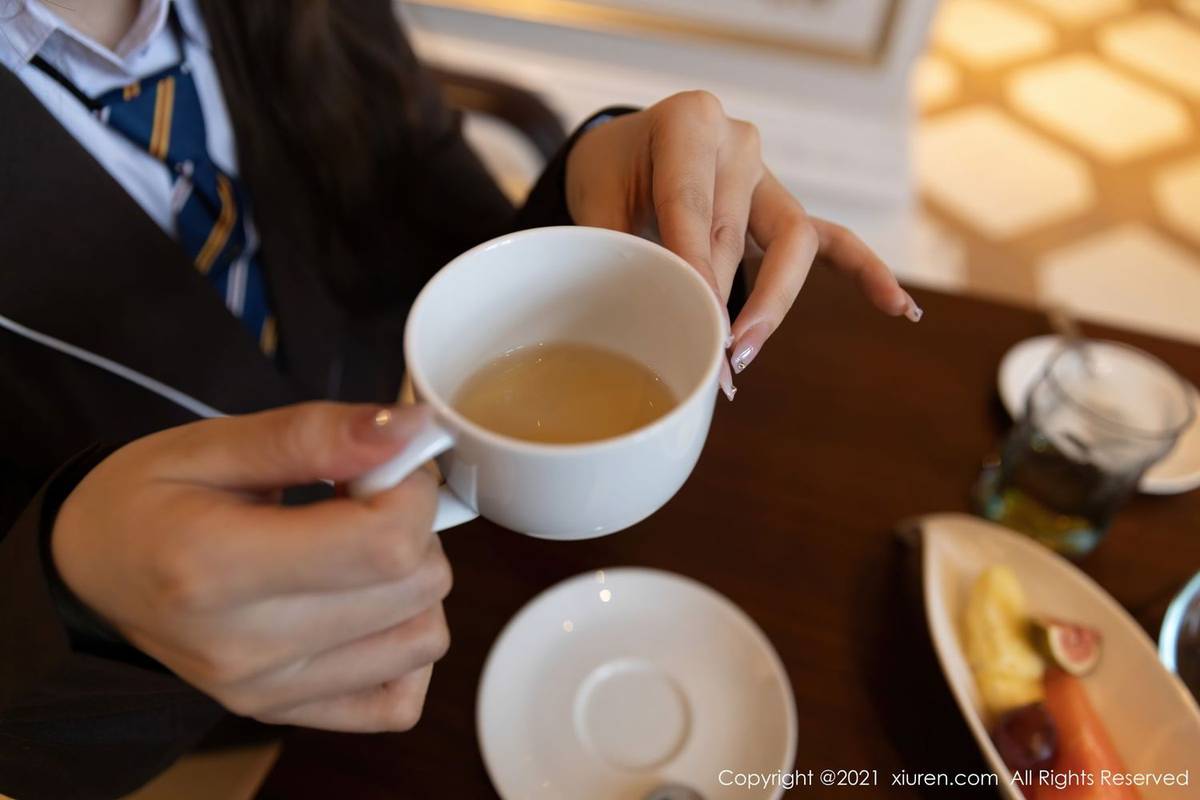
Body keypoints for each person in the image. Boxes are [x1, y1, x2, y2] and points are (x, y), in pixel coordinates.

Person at [0, 0, 921, 796]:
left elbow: (441, 240)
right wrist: (77, 606)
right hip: (205, 728)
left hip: (478, 569)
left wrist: (594, 203)